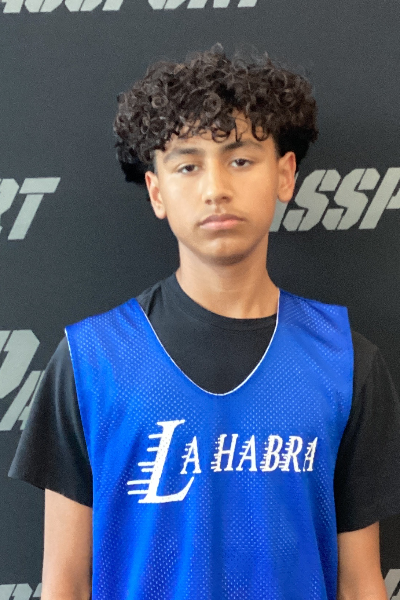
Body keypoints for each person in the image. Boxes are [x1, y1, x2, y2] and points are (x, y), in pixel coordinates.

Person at [8, 45, 400, 600]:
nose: (215, 188)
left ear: (285, 174)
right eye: (188, 165)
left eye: (240, 160)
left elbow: (360, 583)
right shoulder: (90, 362)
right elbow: (65, 584)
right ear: (157, 191)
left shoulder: (345, 362)